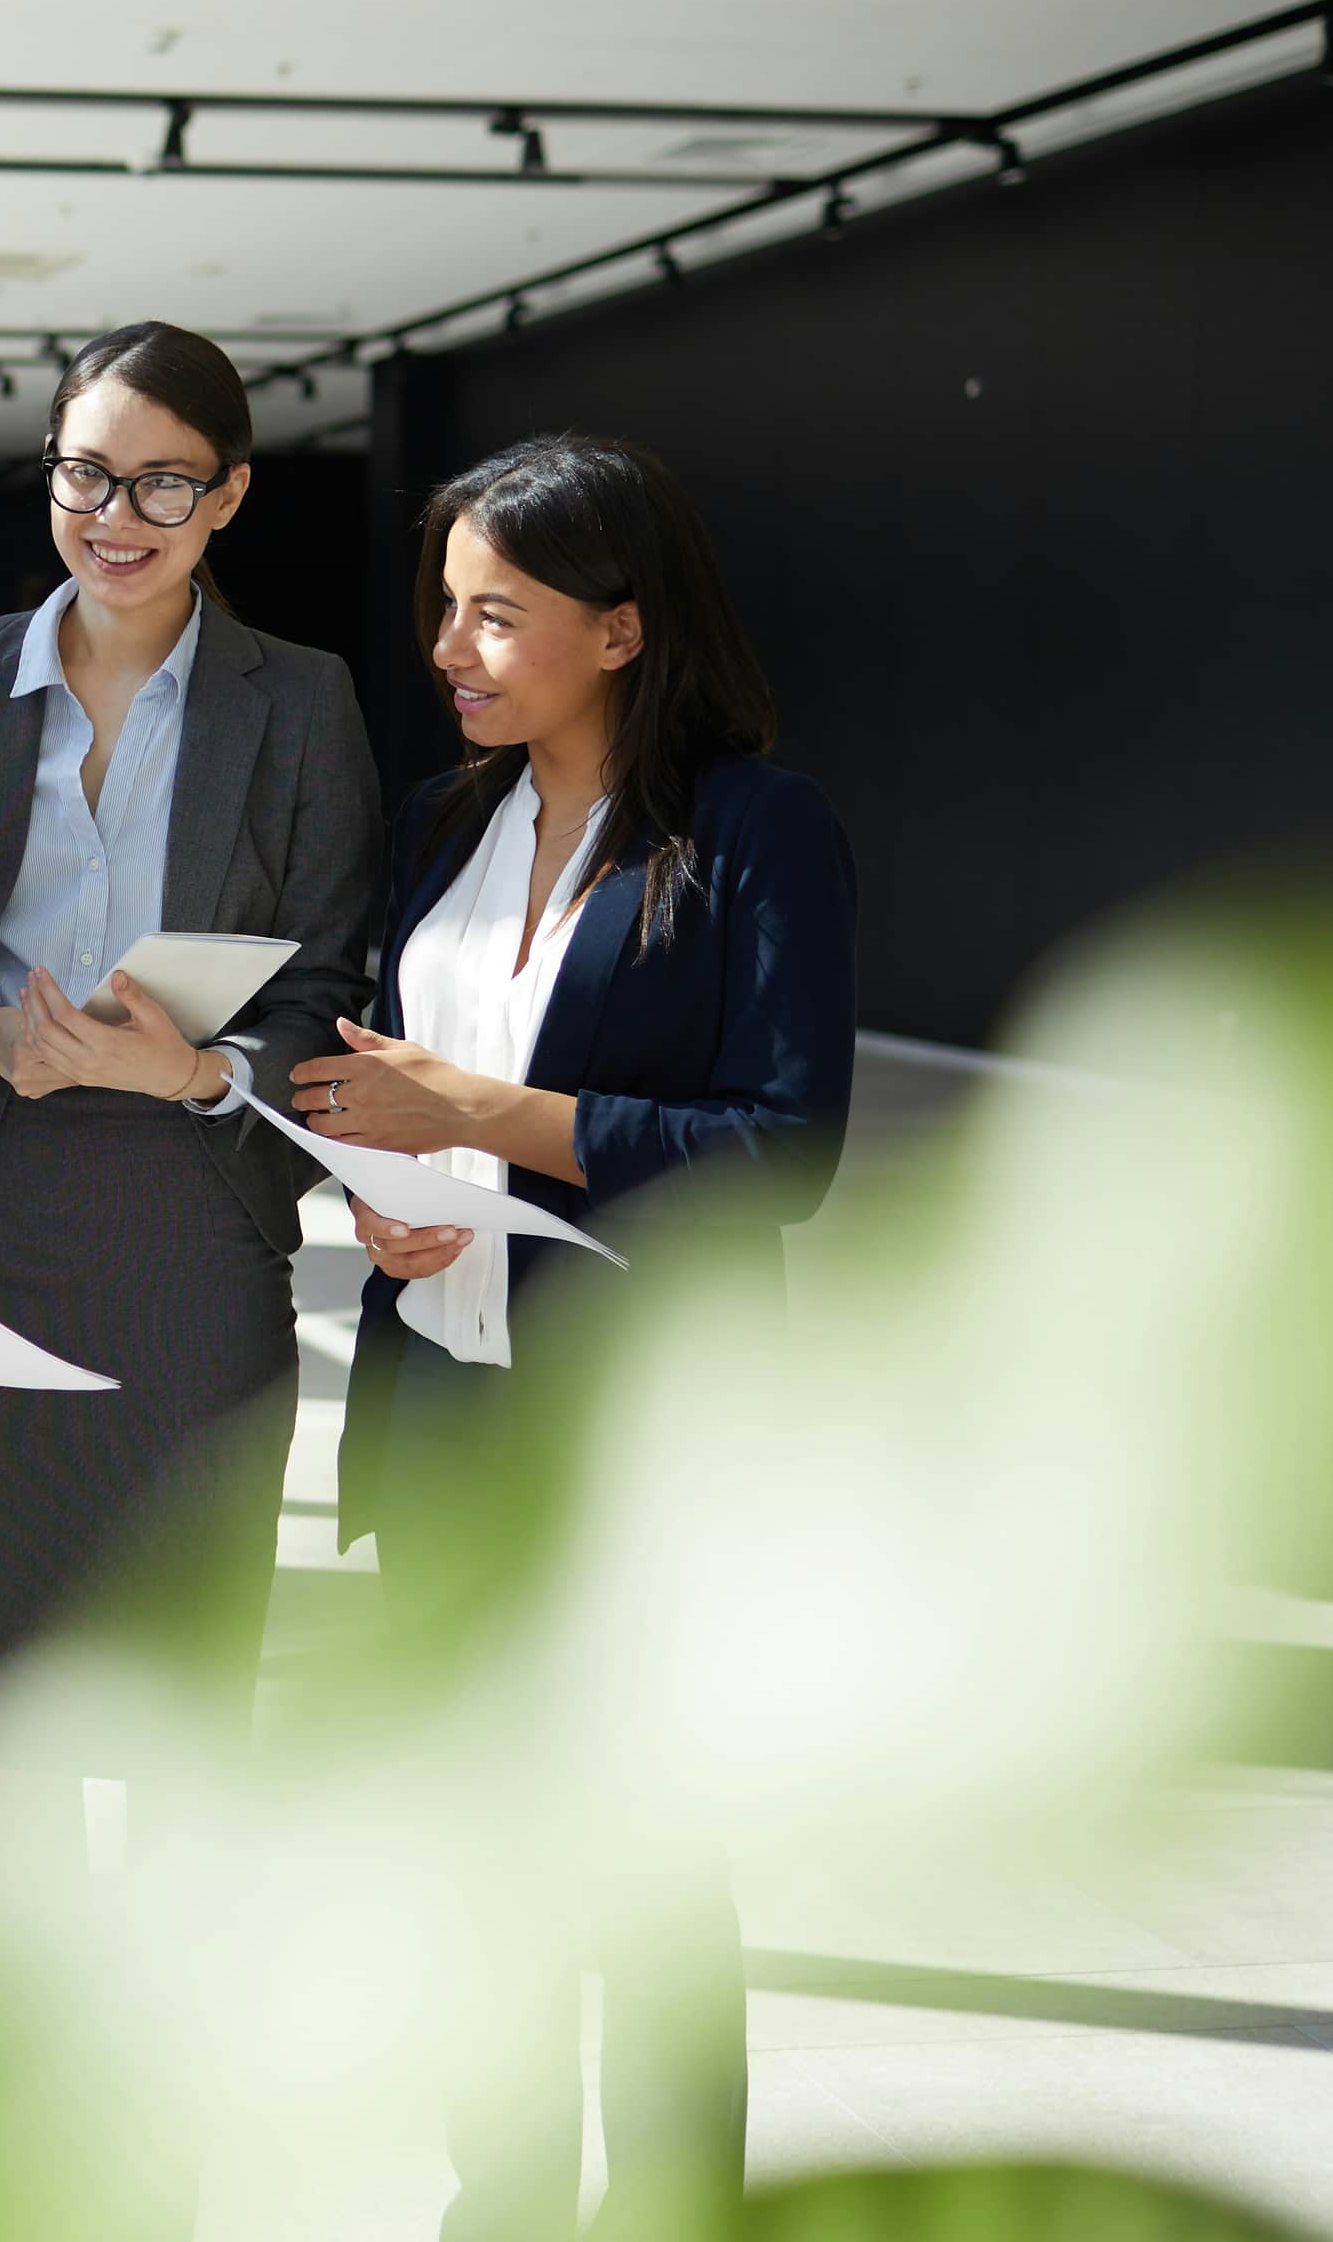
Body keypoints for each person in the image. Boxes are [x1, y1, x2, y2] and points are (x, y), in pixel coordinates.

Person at [295, 430, 857, 2239]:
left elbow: (785, 1150)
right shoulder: (444, 822)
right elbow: (403, 1089)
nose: (448, 653)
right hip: (439, 1400)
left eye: (495, 617)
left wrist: (489, 1117)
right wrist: (383, 1188)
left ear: (621, 631)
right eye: (443, 611)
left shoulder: (758, 831)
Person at [0, 321, 384, 1931]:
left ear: (227, 501)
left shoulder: (302, 702)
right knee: (14, 1698)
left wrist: (200, 1077)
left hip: (196, 1234)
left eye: (163, 482)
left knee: (177, 1683)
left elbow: (335, 976)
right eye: (88, 472)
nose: (116, 513)